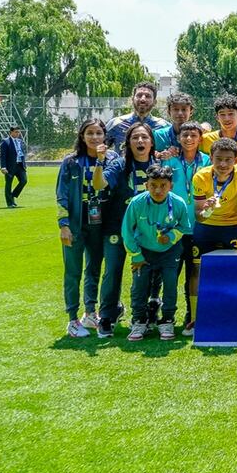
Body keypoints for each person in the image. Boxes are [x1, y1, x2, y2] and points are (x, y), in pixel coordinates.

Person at [56, 118, 116, 337]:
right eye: (89, 133)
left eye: (99, 133)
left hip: (99, 223)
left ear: (105, 137)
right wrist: (63, 225)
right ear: (82, 136)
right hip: (75, 223)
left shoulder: (111, 159)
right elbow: (61, 195)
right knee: (72, 271)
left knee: (93, 269)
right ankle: (72, 319)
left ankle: (90, 312)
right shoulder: (71, 162)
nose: (94, 137)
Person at [122, 164, 192, 341]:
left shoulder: (178, 203)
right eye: (153, 185)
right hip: (144, 251)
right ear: (146, 185)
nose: (158, 190)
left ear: (171, 186)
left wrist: (170, 235)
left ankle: (167, 319)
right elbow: (127, 231)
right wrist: (136, 255)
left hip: (170, 251)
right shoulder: (137, 203)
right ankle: (139, 320)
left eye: (163, 185)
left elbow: (184, 227)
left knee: (170, 284)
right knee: (139, 285)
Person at [100, 123, 156, 336]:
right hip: (117, 227)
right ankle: (107, 315)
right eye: (135, 138)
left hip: (147, 231)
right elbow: (100, 184)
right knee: (113, 271)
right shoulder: (119, 164)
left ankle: (144, 314)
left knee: (145, 274)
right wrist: (99, 163)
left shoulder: (157, 165)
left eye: (144, 137)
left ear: (151, 142)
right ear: (128, 142)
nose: (140, 141)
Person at [160, 121, 210, 337]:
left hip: (199, 227)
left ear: (200, 139)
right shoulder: (169, 161)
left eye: (193, 135)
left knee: (195, 274)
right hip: (175, 227)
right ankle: (166, 318)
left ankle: (193, 317)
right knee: (170, 275)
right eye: (185, 135)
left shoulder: (209, 161)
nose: (189, 139)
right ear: (178, 138)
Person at [192, 138, 237, 261]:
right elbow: (199, 216)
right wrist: (207, 211)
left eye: (228, 160)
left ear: (236, 160)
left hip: (233, 225)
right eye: (218, 159)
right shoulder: (200, 177)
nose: (223, 164)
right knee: (199, 269)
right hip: (207, 225)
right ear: (211, 157)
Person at [106, 81, 170, 153]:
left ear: (154, 102)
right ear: (132, 99)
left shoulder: (164, 127)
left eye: (147, 96)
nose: (143, 99)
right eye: (139, 95)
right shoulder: (116, 123)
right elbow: (99, 148)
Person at [200, 94, 237, 168]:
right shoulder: (204, 139)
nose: (227, 118)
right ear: (217, 117)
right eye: (222, 114)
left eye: (231, 114)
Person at [0, 126, 28, 208]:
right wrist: (3, 167)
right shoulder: (5, 142)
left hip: (20, 166)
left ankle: (13, 195)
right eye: (16, 132)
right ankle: (10, 203)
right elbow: (3, 156)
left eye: (18, 132)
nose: (18, 133)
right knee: (8, 184)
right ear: (11, 132)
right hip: (9, 167)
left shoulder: (20, 141)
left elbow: (22, 154)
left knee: (24, 181)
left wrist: (24, 164)